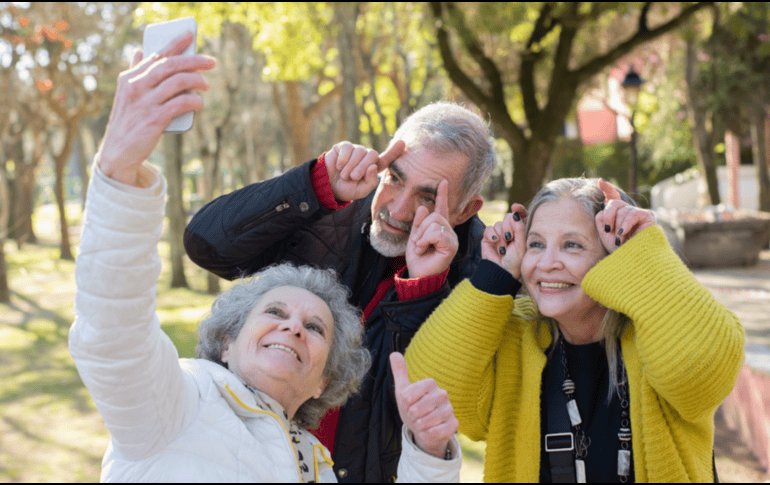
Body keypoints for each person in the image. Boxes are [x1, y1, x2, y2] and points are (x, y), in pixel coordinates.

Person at [69, 31, 462, 482]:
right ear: (227, 342)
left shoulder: (317, 467)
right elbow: (111, 337)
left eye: (315, 328)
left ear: (323, 383)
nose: (293, 327)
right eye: (275, 311)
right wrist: (118, 172)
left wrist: (430, 455)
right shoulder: (177, 404)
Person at [184, 61, 495, 483]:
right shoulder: (327, 204)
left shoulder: (483, 276)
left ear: (466, 209)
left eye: (426, 197)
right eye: (395, 178)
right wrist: (313, 184)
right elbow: (205, 244)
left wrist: (422, 290)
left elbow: (413, 406)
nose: (397, 209)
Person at [404, 177, 745, 482]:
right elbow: (431, 386)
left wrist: (644, 253)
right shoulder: (516, 333)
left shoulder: (658, 331)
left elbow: (702, 373)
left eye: (572, 245)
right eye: (536, 244)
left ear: (614, 255)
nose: (547, 263)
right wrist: (494, 277)